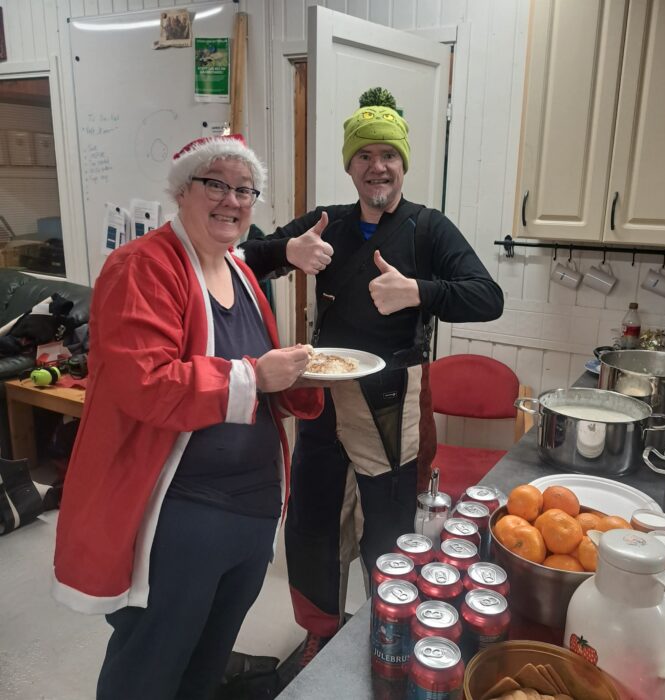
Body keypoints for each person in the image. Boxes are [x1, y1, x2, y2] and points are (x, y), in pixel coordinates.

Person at [52, 134, 324, 700]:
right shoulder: (141, 267)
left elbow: (257, 378)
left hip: (252, 510)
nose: (232, 201)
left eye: (244, 190)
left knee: (208, 660)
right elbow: (144, 383)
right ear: (182, 190)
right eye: (216, 184)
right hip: (181, 512)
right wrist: (255, 375)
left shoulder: (242, 274)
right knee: (150, 662)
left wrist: (299, 379)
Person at [240, 88, 504, 665]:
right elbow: (242, 257)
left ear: (403, 163)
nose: (376, 166)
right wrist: (286, 250)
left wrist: (418, 291)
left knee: (389, 527)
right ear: (349, 165)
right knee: (312, 522)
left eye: (388, 154)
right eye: (364, 155)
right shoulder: (326, 223)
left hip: (395, 402)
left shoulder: (429, 229)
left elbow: (488, 297)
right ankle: (319, 632)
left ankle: (388, 630)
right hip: (323, 397)